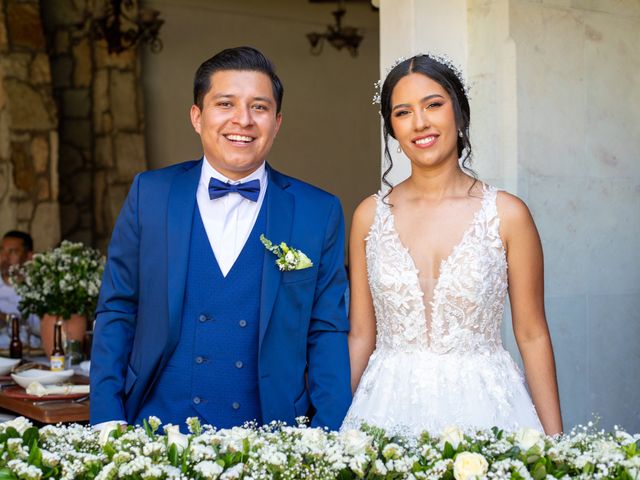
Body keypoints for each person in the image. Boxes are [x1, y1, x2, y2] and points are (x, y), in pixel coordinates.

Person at [90, 46, 351, 430]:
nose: (242, 120)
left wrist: (327, 433)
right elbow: (117, 310)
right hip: (154, 433)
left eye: (259, 108)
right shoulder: (150, 194)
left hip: (272, 440)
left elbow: (326, 330)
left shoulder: (318, 210)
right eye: (225, 103)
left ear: (277, 122)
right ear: (197, 116)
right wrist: (107, 419)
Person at [342, 54, 563, 436]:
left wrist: (557, 442)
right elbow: (361, 334)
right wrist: (332, 430)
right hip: (385, 406)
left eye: (433, 105)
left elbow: (532, 334)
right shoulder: (369, 215)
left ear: (459, 114)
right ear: (392, 129)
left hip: (486, 405)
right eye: (403, 112)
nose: (421, 122)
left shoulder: (507, 214)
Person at [0, 231, 40, 349]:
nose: (5, 257)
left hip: (32, 353)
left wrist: (7, 318)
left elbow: (41, 330)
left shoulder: (38, 289)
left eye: (13, 251)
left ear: (29, 256)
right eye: (2, 250)